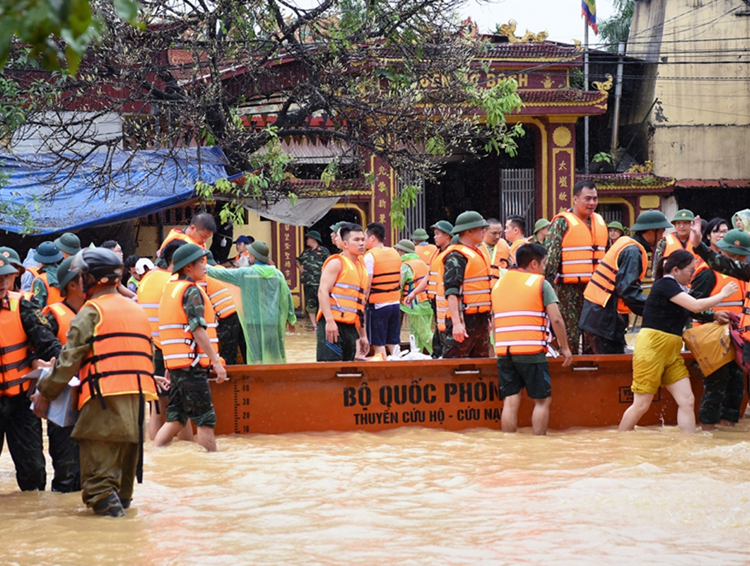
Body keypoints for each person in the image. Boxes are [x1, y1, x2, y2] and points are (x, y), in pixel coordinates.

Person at [32, 248, 158, 516]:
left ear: (94, 279)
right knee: (122, 492)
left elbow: (68, 361)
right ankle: (125, 548)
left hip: (103, 403)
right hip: (136, 408)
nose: (78, 282)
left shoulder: (91, 312)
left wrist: (44, 393)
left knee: (99, 489)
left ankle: (104, 548)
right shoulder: (136, 310)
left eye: (82, 276)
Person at [618, 250, 738, 434]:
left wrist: (713, 314)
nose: (692, 275)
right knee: (641, 404)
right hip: (652, 346)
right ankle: (622, 438)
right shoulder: (665, 284)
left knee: (687, 400)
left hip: (672, 349)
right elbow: (696, 305)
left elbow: (694, 309)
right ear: (675, 270)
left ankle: (688, 445)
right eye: (690, 270)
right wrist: (723, 294)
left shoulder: (680, 289)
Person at [492, 243, 572, 435]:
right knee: (542, 401)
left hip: (504, 351)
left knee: (510, 401)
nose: (544, 269)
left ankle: (509, 442)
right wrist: (565, 348)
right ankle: (539, 444)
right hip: (531, 351)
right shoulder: (540, 284)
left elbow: (494, 323)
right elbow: (556, 319)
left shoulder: (499, 284)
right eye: (543, 264)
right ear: (534, 264)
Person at [155, 244, 227, 451]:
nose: (205, 267)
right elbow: (197, 330)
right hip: (191, 367)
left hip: (178, 366)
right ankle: (211, 465)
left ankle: (154, 455)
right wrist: (215, 361)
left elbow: (172, 330)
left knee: (176, 418)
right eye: (201, 262)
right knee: (205, 418)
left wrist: (170, 364)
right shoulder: (191, 291)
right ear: (188, 267)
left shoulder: (170, 289)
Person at [0, 254, 61, 492]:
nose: (3, 281)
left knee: (33, 471)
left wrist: (55, 365)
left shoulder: (23, 306)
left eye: (6, 276)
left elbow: (49, 343)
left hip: (19, 402)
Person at [579, 210, 673, 354]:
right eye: (660, 232)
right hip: (604, 319)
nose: (661, 237)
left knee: (596, 368)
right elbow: (628, 290)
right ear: (650, 231)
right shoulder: (633, 251)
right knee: (611, 369)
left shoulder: (626, 242)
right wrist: (654, 310)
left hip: (595, 315)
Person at [689, 229, 749, 429]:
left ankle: (728, 432)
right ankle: (709, 433)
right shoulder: (707, 273)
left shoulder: (744, 273)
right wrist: (713, 315)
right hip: (712, 339)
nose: (737, 261)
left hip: (737, 340)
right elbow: (691, 306)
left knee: (736, 390)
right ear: (722, 253)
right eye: (732, 256)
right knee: (715, 389)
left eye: (741, 257)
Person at [136, 240, 193, 442]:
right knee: (178, 409)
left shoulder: (147, 278)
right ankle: (183, 450)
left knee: (157, 409)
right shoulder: (172, 282)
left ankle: (156, 453)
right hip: (166, 351)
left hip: (147, 349)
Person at [544, 180, 607, 354]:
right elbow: (551, 259)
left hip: (595, 289)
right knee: (569, 334)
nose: (592, 203)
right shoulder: (561, 223)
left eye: (595, 199)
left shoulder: (600, 222)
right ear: (575, 199)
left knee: (593, 335)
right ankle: (567, 371)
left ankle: (591, 375)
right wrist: (547, 290)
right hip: (568, 290)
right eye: (587, 199)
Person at [208, 241, 296, 364]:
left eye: (250, 254)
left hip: (253, 323)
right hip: (272, 322)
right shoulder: (278, 275)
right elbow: (286, 297)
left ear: (254, 257)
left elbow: (219, 273)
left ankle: (258, 381)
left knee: (256, 357)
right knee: (274, 356)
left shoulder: (245, 274)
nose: (248, 256)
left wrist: (200, 265)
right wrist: (291, 318)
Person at [41, 257, 83, 493]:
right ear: (71, 285)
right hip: (62, 400)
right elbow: (38, 357)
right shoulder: (53, 316)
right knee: (67, 473)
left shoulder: (96, 311)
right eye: (84, 277)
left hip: (91, 399)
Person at [442, 211, 493, 359]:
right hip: (464, 320)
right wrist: (457, 324)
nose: (484, 232)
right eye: (480, 229)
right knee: (453, 362)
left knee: (481, 364)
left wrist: (487, 320)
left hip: (480, 319)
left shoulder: (477, 252)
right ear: (469, 231)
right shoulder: (456, 257)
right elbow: (451, 292)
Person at [316, 223, 369, 362]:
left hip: (351, 327)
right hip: (332, 324)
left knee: (348, 369)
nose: (361, 243)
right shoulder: (336, 263)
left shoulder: (361, 267)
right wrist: (329, 321)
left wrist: (363, 336)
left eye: (363, 239)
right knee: (330, 369)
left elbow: (359, 306)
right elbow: (322, 291)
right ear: (345, 244)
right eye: (356, 240)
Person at [405, 220, 453, 358]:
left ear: (447, 236)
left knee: (444, 333)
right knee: (439, 332)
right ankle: (438, 355)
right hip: (435, 301)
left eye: (438, 234)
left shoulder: (451, 254)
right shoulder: (436, 253)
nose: (435, 237)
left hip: (446, 301)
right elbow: (429, 276)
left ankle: (443, 356)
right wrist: (414, 292)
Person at [364, 222, 402, 357]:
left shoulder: (369, 256)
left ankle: (382, 373)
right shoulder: (395, 253)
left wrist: (362, 304)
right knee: (394, 343)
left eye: (365, 237)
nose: (363, 241)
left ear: (372, 238)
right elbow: (400, 279)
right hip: (395, 304)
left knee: (378, 344)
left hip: (378, 306)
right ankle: (400, 369)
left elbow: (367, 284)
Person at [200, 253, 243, 365]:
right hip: (242, 312)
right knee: (243, 348)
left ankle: (228, 377)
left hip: (227, 314)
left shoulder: (205, 276)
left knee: (228, 350)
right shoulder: (223, 270)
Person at [395, 239, 433, 354]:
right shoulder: (420, 262)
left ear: (402, 251)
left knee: (423, 332)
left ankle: (439, 352)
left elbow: (400, 285)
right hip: (426, 302)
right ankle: (418, 355)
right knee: (415, 332)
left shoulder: (406, 265)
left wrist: (396, 300)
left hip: (416, 304)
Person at [296, 230, 330, 331]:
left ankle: (323, 323)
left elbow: (329, 262)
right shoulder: (306, 252)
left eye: (308, 239)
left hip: (321, 282)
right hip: (308, 282)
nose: (306, 241)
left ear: (313, 239)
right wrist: (301, 269)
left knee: (323, 302)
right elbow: (297, 260)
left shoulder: (323, 251)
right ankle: (314, 325)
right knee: (310, 304)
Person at [32, 241, 64, 309]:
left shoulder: (40, 281)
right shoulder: (66, 274)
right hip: (67, 316)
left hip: (49, 317)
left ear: (39, 261)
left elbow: (37, 307)